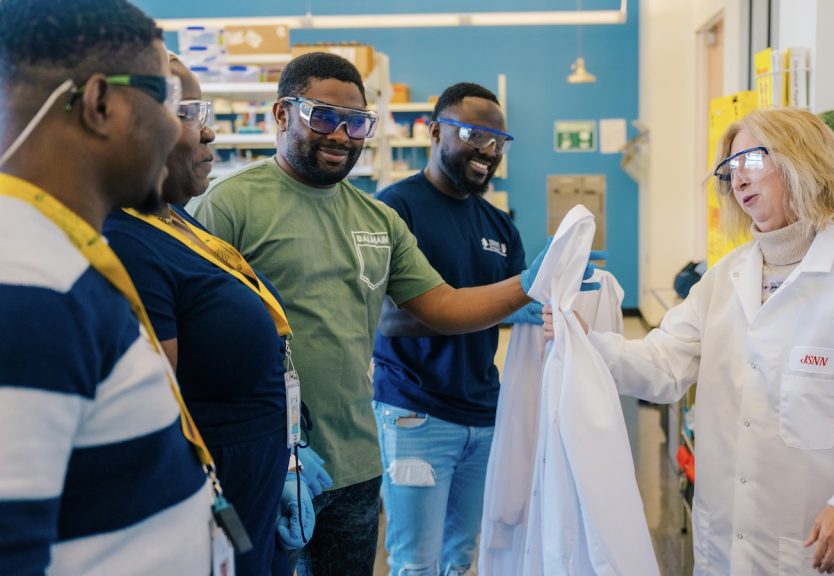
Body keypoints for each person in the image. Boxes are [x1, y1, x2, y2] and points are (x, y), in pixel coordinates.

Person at [192, 52, 594, 575]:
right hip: (266, 462)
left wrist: (528, 283)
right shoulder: (229, 206)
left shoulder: (376, 218)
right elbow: (195, 342)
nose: (341, 135)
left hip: (355, 463)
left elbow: (444, 306)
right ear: (281, 114)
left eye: (356, 122)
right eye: (323, 116)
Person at [545, 108, 834, 575]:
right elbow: (663, 365)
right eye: (730, 169)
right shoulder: (724, 279)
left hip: (820, 536)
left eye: (753, 161)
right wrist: (587, 342)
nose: (738, 180)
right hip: (728, 539)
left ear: (806, 161)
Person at [0, 1, 215, 574]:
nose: (183, 129)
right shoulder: (27, 286)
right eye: (168, 101)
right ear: (100, 103)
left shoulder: (52, 255)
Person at [103, 55, 331, 575]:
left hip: (256, 483)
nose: (209, 132)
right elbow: (156, 419)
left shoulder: (176, 220)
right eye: (187, 113)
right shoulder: (126, 243)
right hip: (209, 509)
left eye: (203, 111)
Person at [372, 82, 539, 575]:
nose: (488, 151)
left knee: (461, 559)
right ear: (436, 130)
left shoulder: (499, 225)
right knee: (415, 564)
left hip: (483, 414)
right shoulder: (394, 209)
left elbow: (513, 302)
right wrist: (472, 307)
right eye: (474, 134)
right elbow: (382, 316)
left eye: (498, 142)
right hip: (415, 413)